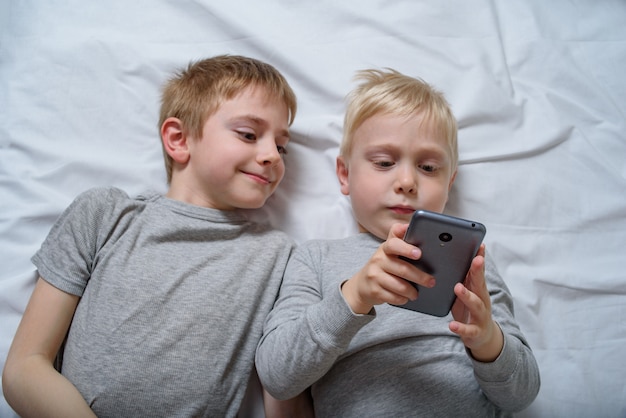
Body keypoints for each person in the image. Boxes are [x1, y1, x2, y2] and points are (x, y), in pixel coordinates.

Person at [2, 54, 297, 417]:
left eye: (282, 146)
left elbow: (283, 388)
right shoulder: (104, 215)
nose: (272, 155)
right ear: (179, 139)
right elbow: (25, 367)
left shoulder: (278, 256)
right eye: (249, 134)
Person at [256, 68, 540, 417]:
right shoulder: (314, 259)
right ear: (344, 174)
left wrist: (486, 341)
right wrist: (354, 296)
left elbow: (522, 395)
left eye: (429, 168)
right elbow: (277, 376)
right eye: (385, 162)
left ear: (450, 182)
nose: (406, 181)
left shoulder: (470, 262)